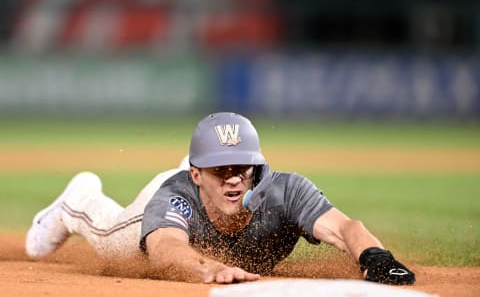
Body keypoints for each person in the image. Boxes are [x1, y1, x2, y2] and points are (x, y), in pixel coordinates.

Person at [25, 112, 415, 285]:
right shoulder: (177, 194)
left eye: (240, 168)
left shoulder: (284, 191)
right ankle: (76, 201)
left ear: (256, 167)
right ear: (198, 173)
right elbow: (164, 249)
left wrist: (374, 257)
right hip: (175, 203)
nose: (233, 180)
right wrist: (207, 268)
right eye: (220, 170)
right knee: (114, 242)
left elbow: (345, 227)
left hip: (200, 191)